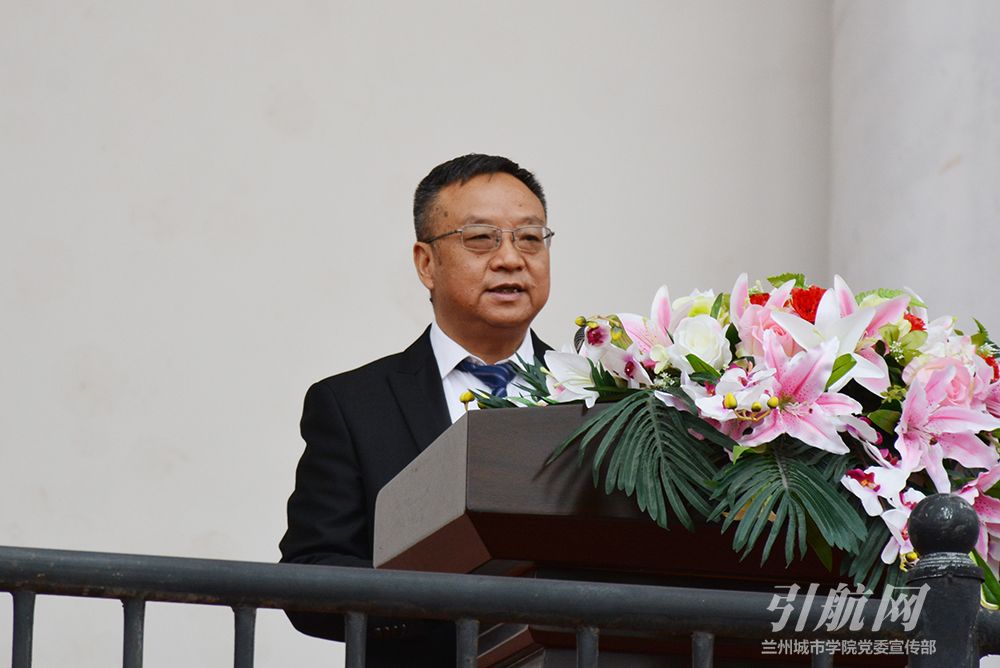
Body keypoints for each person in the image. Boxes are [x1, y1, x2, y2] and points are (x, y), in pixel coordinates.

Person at [279, 154, 553, 665]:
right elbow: (310, 573)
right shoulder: (353, 405)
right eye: (481, 238)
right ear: (427, 263)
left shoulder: (607, 397)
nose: (511, 259)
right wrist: (437, 604)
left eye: (530, 238)